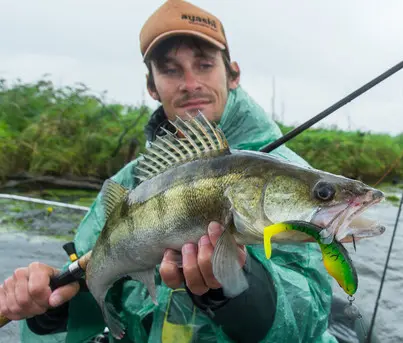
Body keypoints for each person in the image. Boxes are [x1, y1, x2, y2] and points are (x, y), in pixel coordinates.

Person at [0, 1, 378, 342]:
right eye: (170, 69)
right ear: (152, 86)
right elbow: (95, 273)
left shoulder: (291, 170)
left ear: (233, 73)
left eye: (204, 64)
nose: (191, 83)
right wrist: (50, 308)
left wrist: (241, 292)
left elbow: (309, 316)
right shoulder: (126, 184)